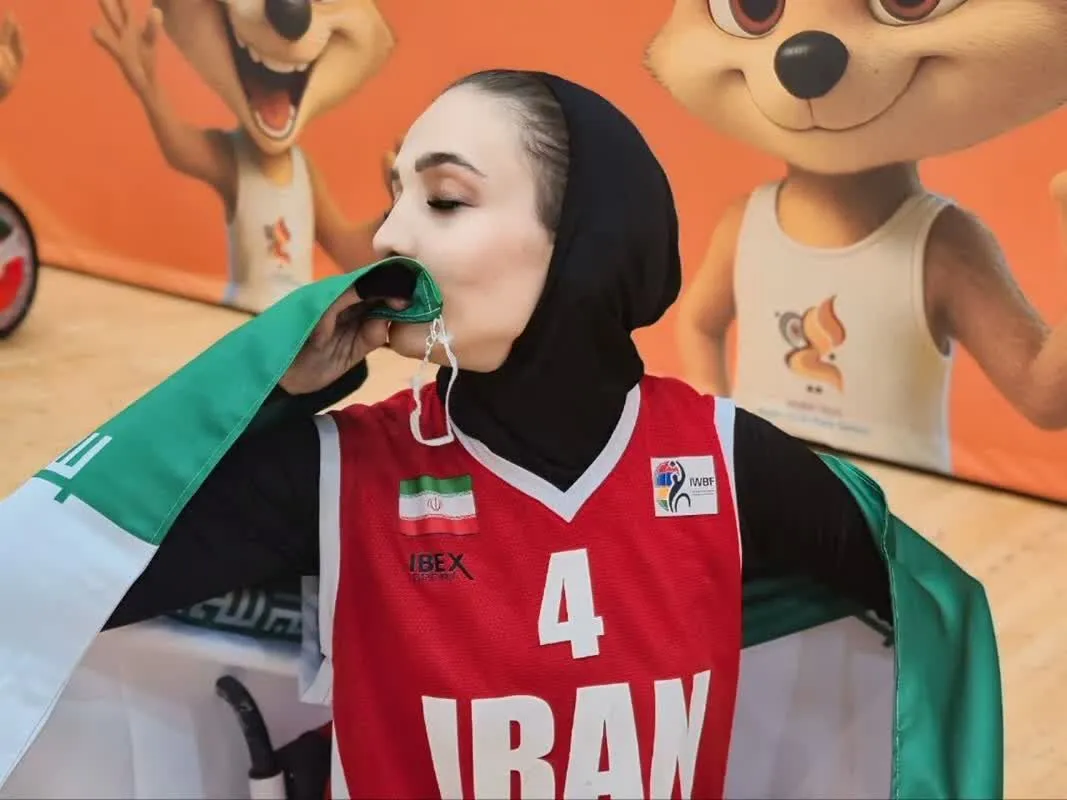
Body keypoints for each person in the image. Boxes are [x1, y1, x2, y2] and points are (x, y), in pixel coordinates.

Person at [102, 69, 891, 799]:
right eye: (395, 196)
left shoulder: (720, 460)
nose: (387, 238)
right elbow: (80, 570)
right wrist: (267, 390)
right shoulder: (340, 471)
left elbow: (923, 625)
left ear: (583, 236)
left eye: (443, 200)